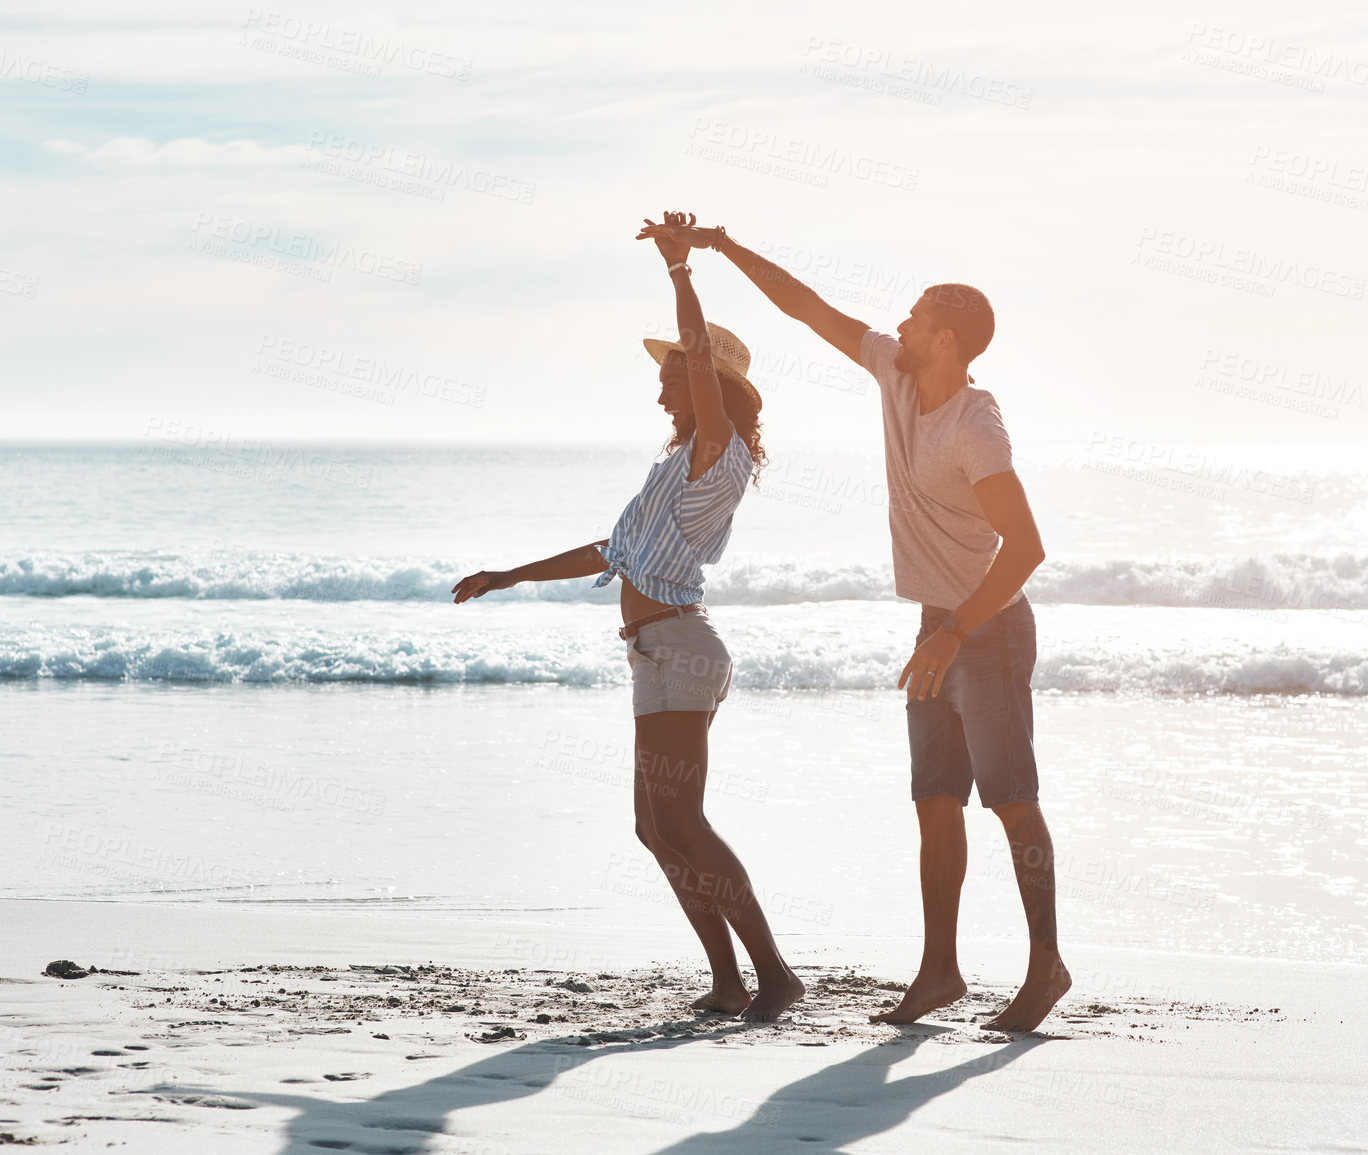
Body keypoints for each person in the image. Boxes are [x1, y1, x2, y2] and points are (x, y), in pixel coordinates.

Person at [637, 215, 1067, 1032]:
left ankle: (1046, 965)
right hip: (937, 626)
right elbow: (806, 307)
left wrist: (954, 632)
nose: (895, 325)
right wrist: (721, 250)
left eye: (912, 318)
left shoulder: (976, 424)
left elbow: (1027, 547)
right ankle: (939, 971)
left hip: (989, 628)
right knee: (934, 799)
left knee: (1011, 800)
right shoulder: (895, 377)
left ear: (944, 339)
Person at [451, 212, 805, 1023]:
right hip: (654, 651)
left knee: (680, 817)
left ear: (710, 383)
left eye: (674, 375)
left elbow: (704, 368)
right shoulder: (671, 467)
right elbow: (604, 550)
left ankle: (773, 973)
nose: (660, 386)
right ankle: (728, 978)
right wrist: (509, 574)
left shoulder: (721, 449)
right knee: (655, 826)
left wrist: (681, 272)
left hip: (681, 647)